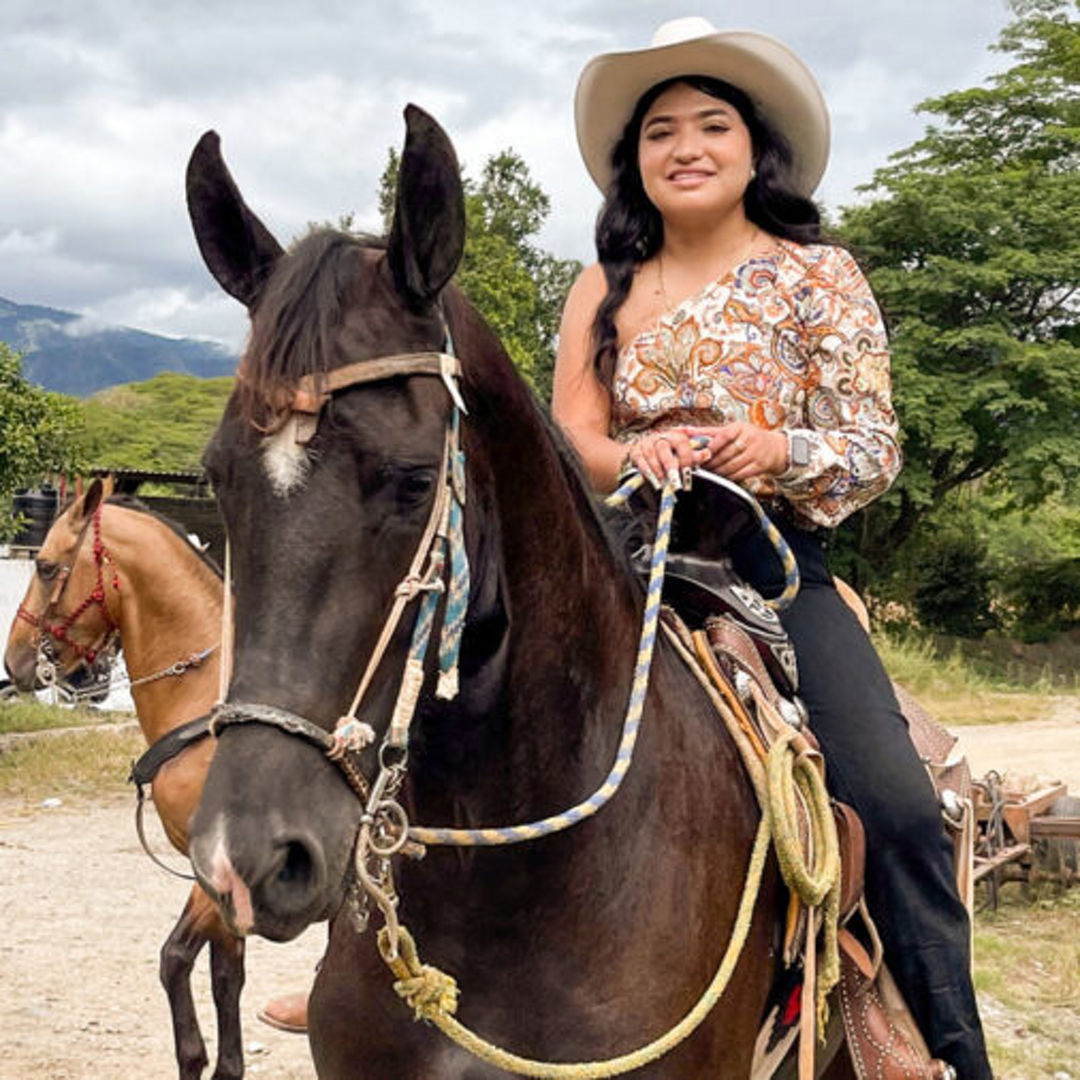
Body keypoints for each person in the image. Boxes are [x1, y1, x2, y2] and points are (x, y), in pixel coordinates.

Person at [553, 17, 993, 1078]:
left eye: (713, 124)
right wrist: (638, 456)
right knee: (448, 714)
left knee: (889, 801)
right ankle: (385, 968)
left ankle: (946, 1050)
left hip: (770, 562)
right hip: (624, 553)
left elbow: (873, 446)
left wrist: (773, 445)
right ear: (636, 161)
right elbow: (574, 435)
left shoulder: (817, 275)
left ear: (755, 151)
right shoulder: (597, 286)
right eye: (660, 131)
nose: (686, 145)